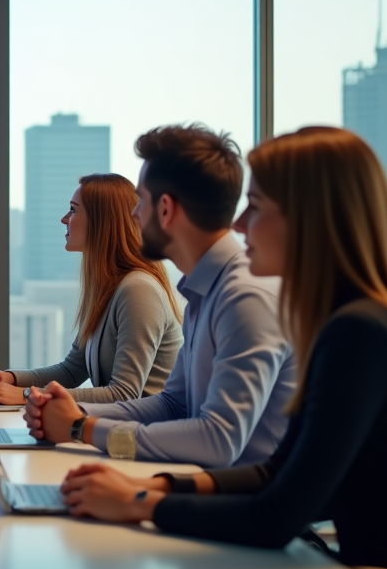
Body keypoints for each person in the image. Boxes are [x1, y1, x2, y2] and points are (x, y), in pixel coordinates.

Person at [59, 127, 387, 569]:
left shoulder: (362, 334)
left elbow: (276, 513)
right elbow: (276, 473)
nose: (242, 224)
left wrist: (141, 501)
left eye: (257, 206)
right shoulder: (346, 322)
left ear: (311, 222)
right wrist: (157, 486)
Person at [24, 124, 297, 467]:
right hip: (206, 485)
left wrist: (82, 427)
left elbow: (218, 441)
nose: (134, 215)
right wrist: (68, 411)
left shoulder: (245, 296)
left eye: (141, 201)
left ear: (165, 209)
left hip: (246, 507)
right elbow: (173, 405)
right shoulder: (206, 290)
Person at [0, 174, 182, 404]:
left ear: (102, 221)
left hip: (140, 436)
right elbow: (72, 370)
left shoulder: (138, 290)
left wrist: (27, 396)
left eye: (73, 210)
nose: (64, 219)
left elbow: (123, 394)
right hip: (118, 429)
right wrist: (12, 379)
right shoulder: (107, 287)